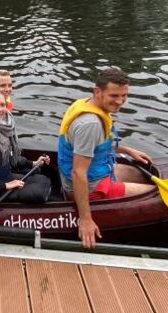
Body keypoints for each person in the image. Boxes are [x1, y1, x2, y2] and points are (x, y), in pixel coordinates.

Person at [57, 67, 153, 249]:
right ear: (97, 91)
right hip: (92, 186)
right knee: (153, 194)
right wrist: (85, 219)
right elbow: (79, 172)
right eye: (114, 95)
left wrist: (125, 150)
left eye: (124, 95)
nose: (120, 101)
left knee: (138, 174)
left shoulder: (85, 103)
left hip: (98, 171)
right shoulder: (90, 123)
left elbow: (95, 145)